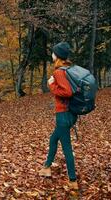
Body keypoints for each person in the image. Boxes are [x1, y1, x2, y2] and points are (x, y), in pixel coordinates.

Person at [39, 42, 79, 190]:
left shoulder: (59, 72)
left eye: (53, 52)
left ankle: (73, 181)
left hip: (63, 115)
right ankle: (46, 167)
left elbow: (67, 92)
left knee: (67, 148)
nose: (52, 54)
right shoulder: (69, 69)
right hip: (71, 113)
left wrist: (52, 85)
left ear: (57, 55)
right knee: (53, 139)